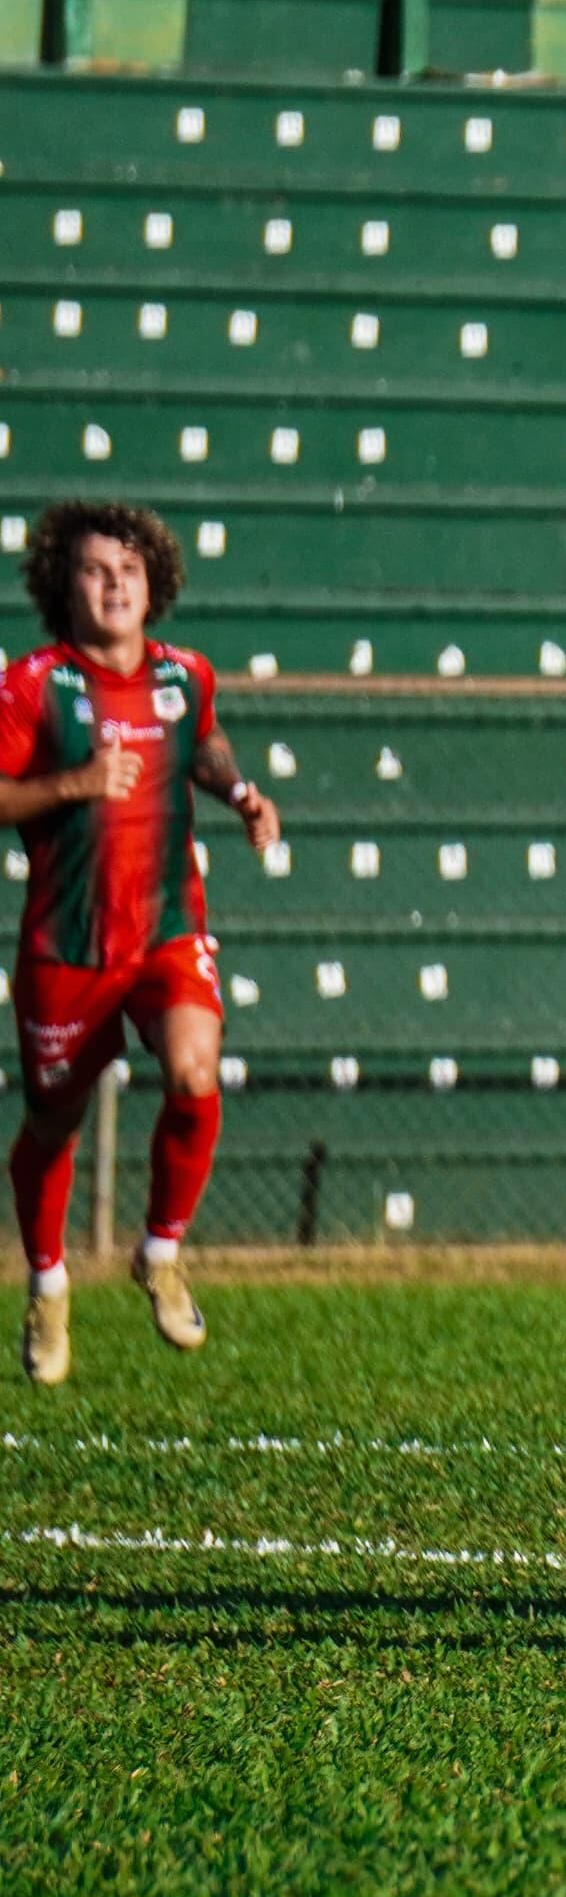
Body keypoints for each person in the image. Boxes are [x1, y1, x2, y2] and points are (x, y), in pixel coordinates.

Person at [0, 501, 280, 1384]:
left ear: (154, 580)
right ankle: (48, 1283)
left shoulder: (186, 674)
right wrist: (76, 780)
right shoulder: (34, 684)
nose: (114, 582)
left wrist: (242, 797)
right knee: (54, 1120)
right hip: (68, 942)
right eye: (93, 568)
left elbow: (203, 741)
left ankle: (158, 1254)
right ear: (63, 586)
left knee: (196, 1072)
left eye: (128, 567)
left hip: (166, 929)